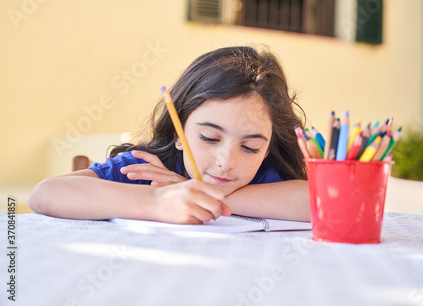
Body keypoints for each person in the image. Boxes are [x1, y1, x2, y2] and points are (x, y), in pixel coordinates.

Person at [29, 46, 310, 224]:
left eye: (249, 147)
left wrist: (202, 196)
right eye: (210, 139)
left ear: (268, 149)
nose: (227, 161)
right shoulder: (145, 170)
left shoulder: (266, 177)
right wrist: (159, 201)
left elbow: (322, 201)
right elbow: (45, 194)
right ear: (178, 132)